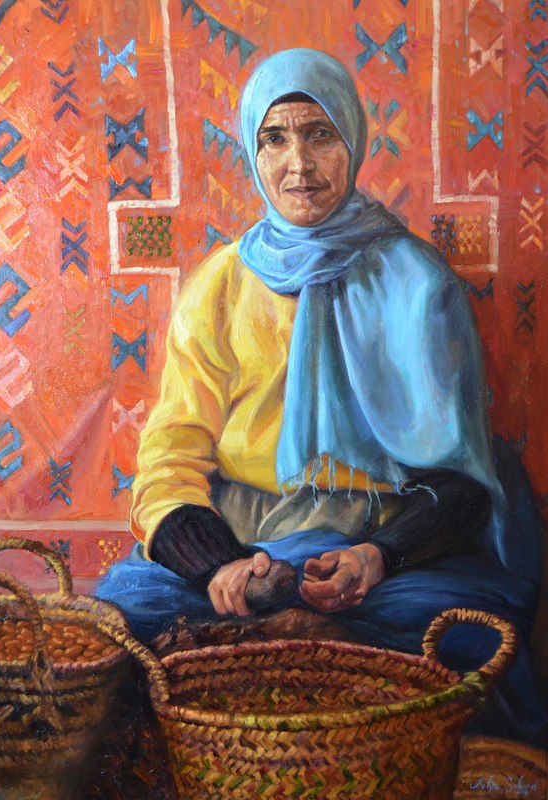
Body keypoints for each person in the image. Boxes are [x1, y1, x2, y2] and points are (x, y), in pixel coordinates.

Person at [96, 48, 546, 744]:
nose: (298, 164)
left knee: (464, 634)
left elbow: (461, 479)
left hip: (382, 547)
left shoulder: (418, 282)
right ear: (252, 152)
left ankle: (301, 653)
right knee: (121, 615)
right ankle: (294, 646)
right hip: (245, 543)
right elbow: (168, 461)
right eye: (274, 139)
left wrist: (376, 556)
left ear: (353, 141)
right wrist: (222, 566)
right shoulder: (219, 286)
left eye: (319, 134)